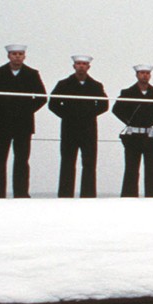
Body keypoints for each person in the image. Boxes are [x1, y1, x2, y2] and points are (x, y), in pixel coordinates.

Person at [0, 44, 47, 198]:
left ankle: (21, 193)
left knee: (22, 160)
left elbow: (42, 97)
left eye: (20, 54)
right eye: (14, 54)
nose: (17, 56)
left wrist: (27, 109)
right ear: (8, 56)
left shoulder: (32, 74)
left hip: (24, 123)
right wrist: (0, 108)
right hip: (1, 123)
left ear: (24, 56)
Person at [48, 54, 109, 197]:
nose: (81, 66)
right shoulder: (63, 84)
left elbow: (103, 105)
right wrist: (68, 114)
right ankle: (65, 194)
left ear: (88, 67)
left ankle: (88, 195)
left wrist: (88, 114)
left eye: (84, 64)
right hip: (69, 128)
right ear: (74, 66)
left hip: (89, 128)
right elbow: (53, 104)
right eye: (78, 63)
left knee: (89, 162)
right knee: (67, 161)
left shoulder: (95, 85)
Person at [112, 65, 153, 197]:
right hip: (133, 135)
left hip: (150, 135)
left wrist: (152, 121)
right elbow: (116, 109)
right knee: (131, 168)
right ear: (137, 75)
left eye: (147, 73)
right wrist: (129, 121)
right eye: (142, 73)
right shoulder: (127, 93)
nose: (145, 75)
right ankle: (129, 196)